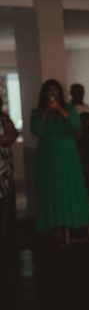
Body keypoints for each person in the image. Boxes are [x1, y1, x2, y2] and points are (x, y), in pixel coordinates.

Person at [30, 79, 89, 241]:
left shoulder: (69, 109)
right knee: (51, 188)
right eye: (49, 90)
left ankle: (75, 223)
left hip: (67, 154)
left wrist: (60, 110)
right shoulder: (37, 112)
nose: (52, 93)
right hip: (48, 155)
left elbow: (76, 126)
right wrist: (46, 113)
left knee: (69, 186)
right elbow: (37, 130)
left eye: (55, 90)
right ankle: (53, 226)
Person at [0, 95, 18, 240]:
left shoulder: (4, 119)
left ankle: (4, 231)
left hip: (3, 165)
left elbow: (12, 136)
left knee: (5, 197)